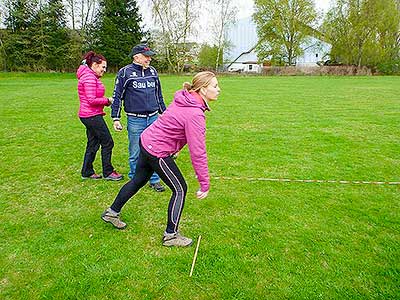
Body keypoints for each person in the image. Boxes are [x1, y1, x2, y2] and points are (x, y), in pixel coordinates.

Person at [101, 71, 221, 247]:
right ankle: (171, 236)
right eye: (215, 86)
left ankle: (111, 213)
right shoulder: (195, 114)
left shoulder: (185, 98)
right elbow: (198, 152)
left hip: (147, 140)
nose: (219, 90)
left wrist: (176, 147)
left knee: (138, 180)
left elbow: (173, 125)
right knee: (180, 189)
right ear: (203, 89)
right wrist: (204, 182)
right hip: (157, 150)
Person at [111, 44, 167, 192]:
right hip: (135, 119)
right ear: (136, 57)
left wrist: (165, 114)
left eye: (150, 56)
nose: (149, 59)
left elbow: (158, 94)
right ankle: (136, 179)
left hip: (153, 118)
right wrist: (115, 118)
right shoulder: (125, 73)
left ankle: (155, 180)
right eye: (146, 56)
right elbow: (117, 96)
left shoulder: (153, 71)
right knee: (135, 151)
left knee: (155, 151)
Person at [77, 51, 123, 181]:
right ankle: (108, 172)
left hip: (89, 114)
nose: (104, 70)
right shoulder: (89, 78)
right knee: (108, 142)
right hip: (91, 116)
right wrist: (107, 100)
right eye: (103, 67)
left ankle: (87, 171)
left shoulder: (89, 76)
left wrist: (104, 102)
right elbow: (91, 100)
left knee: (93, 143)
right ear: (95, 65)